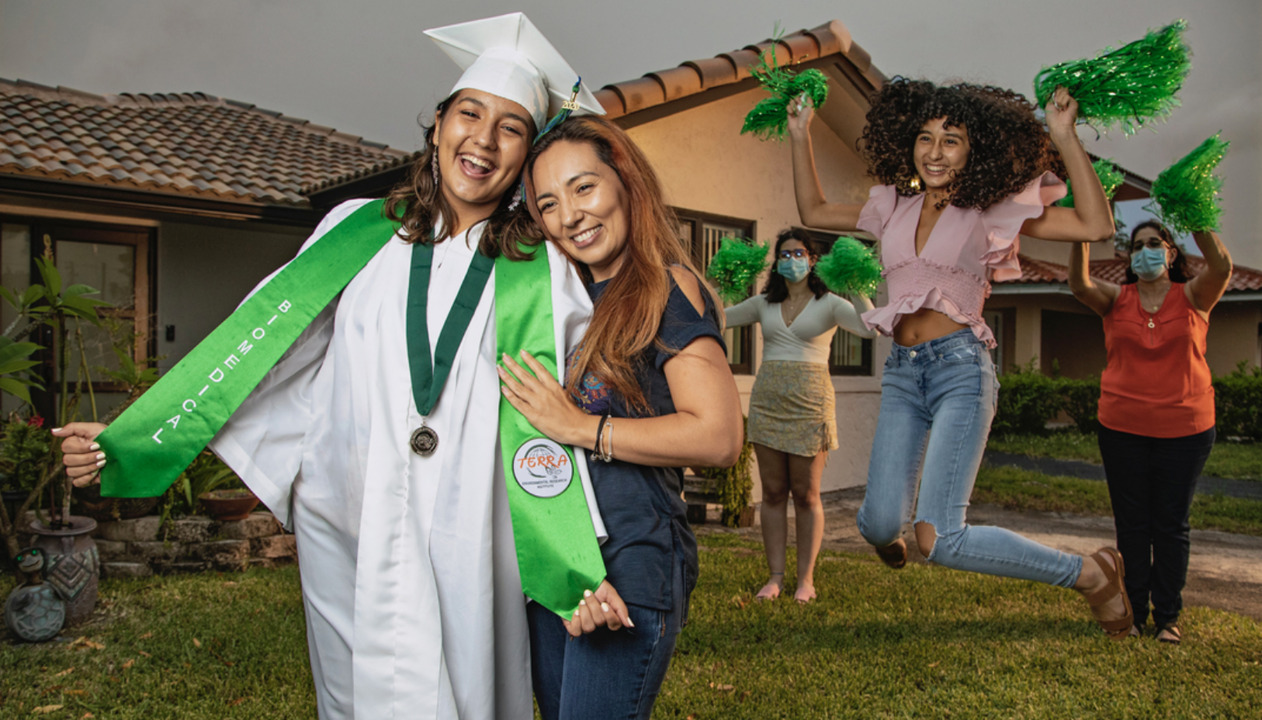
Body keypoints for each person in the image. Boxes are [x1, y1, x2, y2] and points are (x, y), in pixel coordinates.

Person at [53, 13, 608, 719]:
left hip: (474, 527)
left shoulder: (543, 270)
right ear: (438, 125)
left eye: (511, 128)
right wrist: (129, 438)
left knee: (469, 692)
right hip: (353, 514)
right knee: (354, 696)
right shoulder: (358, 229)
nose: (484, 140)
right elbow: (252, 348)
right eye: (470, 114)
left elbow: (587, 393)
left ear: (526, 157)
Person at [786, 77, 1135, 639]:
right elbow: (814, 207)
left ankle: (1091, 574)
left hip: (960, 371)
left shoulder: (989, 210)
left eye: (951, 139)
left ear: (977, 149)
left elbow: (1095, 225)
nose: (935, 152)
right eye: (925, 138)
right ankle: (898, 533)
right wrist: (801, 132)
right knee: (876, 525)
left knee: (941, 539)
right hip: (902, 374)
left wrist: (1065, 136)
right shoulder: (893, 205)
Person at [497, 115, 743, 719]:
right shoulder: (565, 301)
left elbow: (718, 434)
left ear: (625, 179)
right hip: (565, 561)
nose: (570, 216)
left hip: (632, 561)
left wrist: (582, 427)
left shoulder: (667, 287)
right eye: (549, 203)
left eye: (585, 188)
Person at [1068, 220, 1232, 643]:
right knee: (1133, 525)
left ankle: (1168, 619)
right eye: (1136, 246)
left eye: (1154, 244)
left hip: (1187, 429)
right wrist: (1080, 229)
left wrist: (1196, 216)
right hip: (1122, 428)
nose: (1145, 252)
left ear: (1171, 252)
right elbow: (1080, 284)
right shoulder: (1116, 299)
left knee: (1171, 524)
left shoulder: (1194, 295)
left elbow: (1222, 266)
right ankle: (1135, 613)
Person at [724, 228, 875, 604]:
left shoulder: (831, 304)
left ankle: (805, 580)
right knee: (773, 493)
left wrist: (855, 284)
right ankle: (775, 577)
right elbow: (716, 318)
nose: (792, 261)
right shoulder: (763, 303)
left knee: (806, 494)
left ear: (814, 260)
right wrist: (724, 281)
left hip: (810, 403)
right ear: (776, 262)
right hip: (769, 401)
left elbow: (871, 328)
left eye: (800, 254)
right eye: (785, 255)